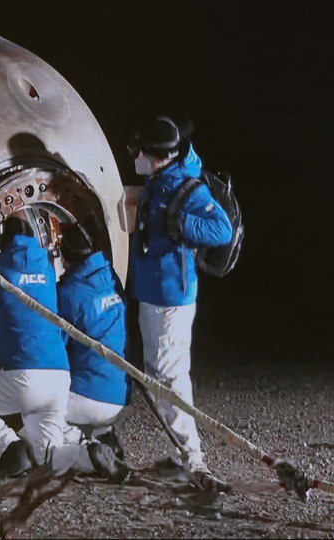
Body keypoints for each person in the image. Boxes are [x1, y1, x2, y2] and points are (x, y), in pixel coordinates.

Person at [128, 115, 233, 486]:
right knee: (158, 376)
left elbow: (222, 229)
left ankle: (194, 460)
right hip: (151, 293)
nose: (134, 155)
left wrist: (181, 226)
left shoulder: (186, 188)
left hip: (171, 299)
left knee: (170, 380)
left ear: (158, 156)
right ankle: (179, 454)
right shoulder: (158, 179)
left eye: (138, 150)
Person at [0, 212, 71, 477]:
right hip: (60, 376)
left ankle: (9, 447)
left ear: (1, 242)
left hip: (25, 378)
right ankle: (88, 453)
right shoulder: (47, 267)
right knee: (48, 454)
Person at [56, 217, 132, 483]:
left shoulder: (69, 293)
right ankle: (103, 431)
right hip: (121, 396)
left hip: (90, 398)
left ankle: (86, 451)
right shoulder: (110, 277)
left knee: (34, 408)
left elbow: (55, 349)